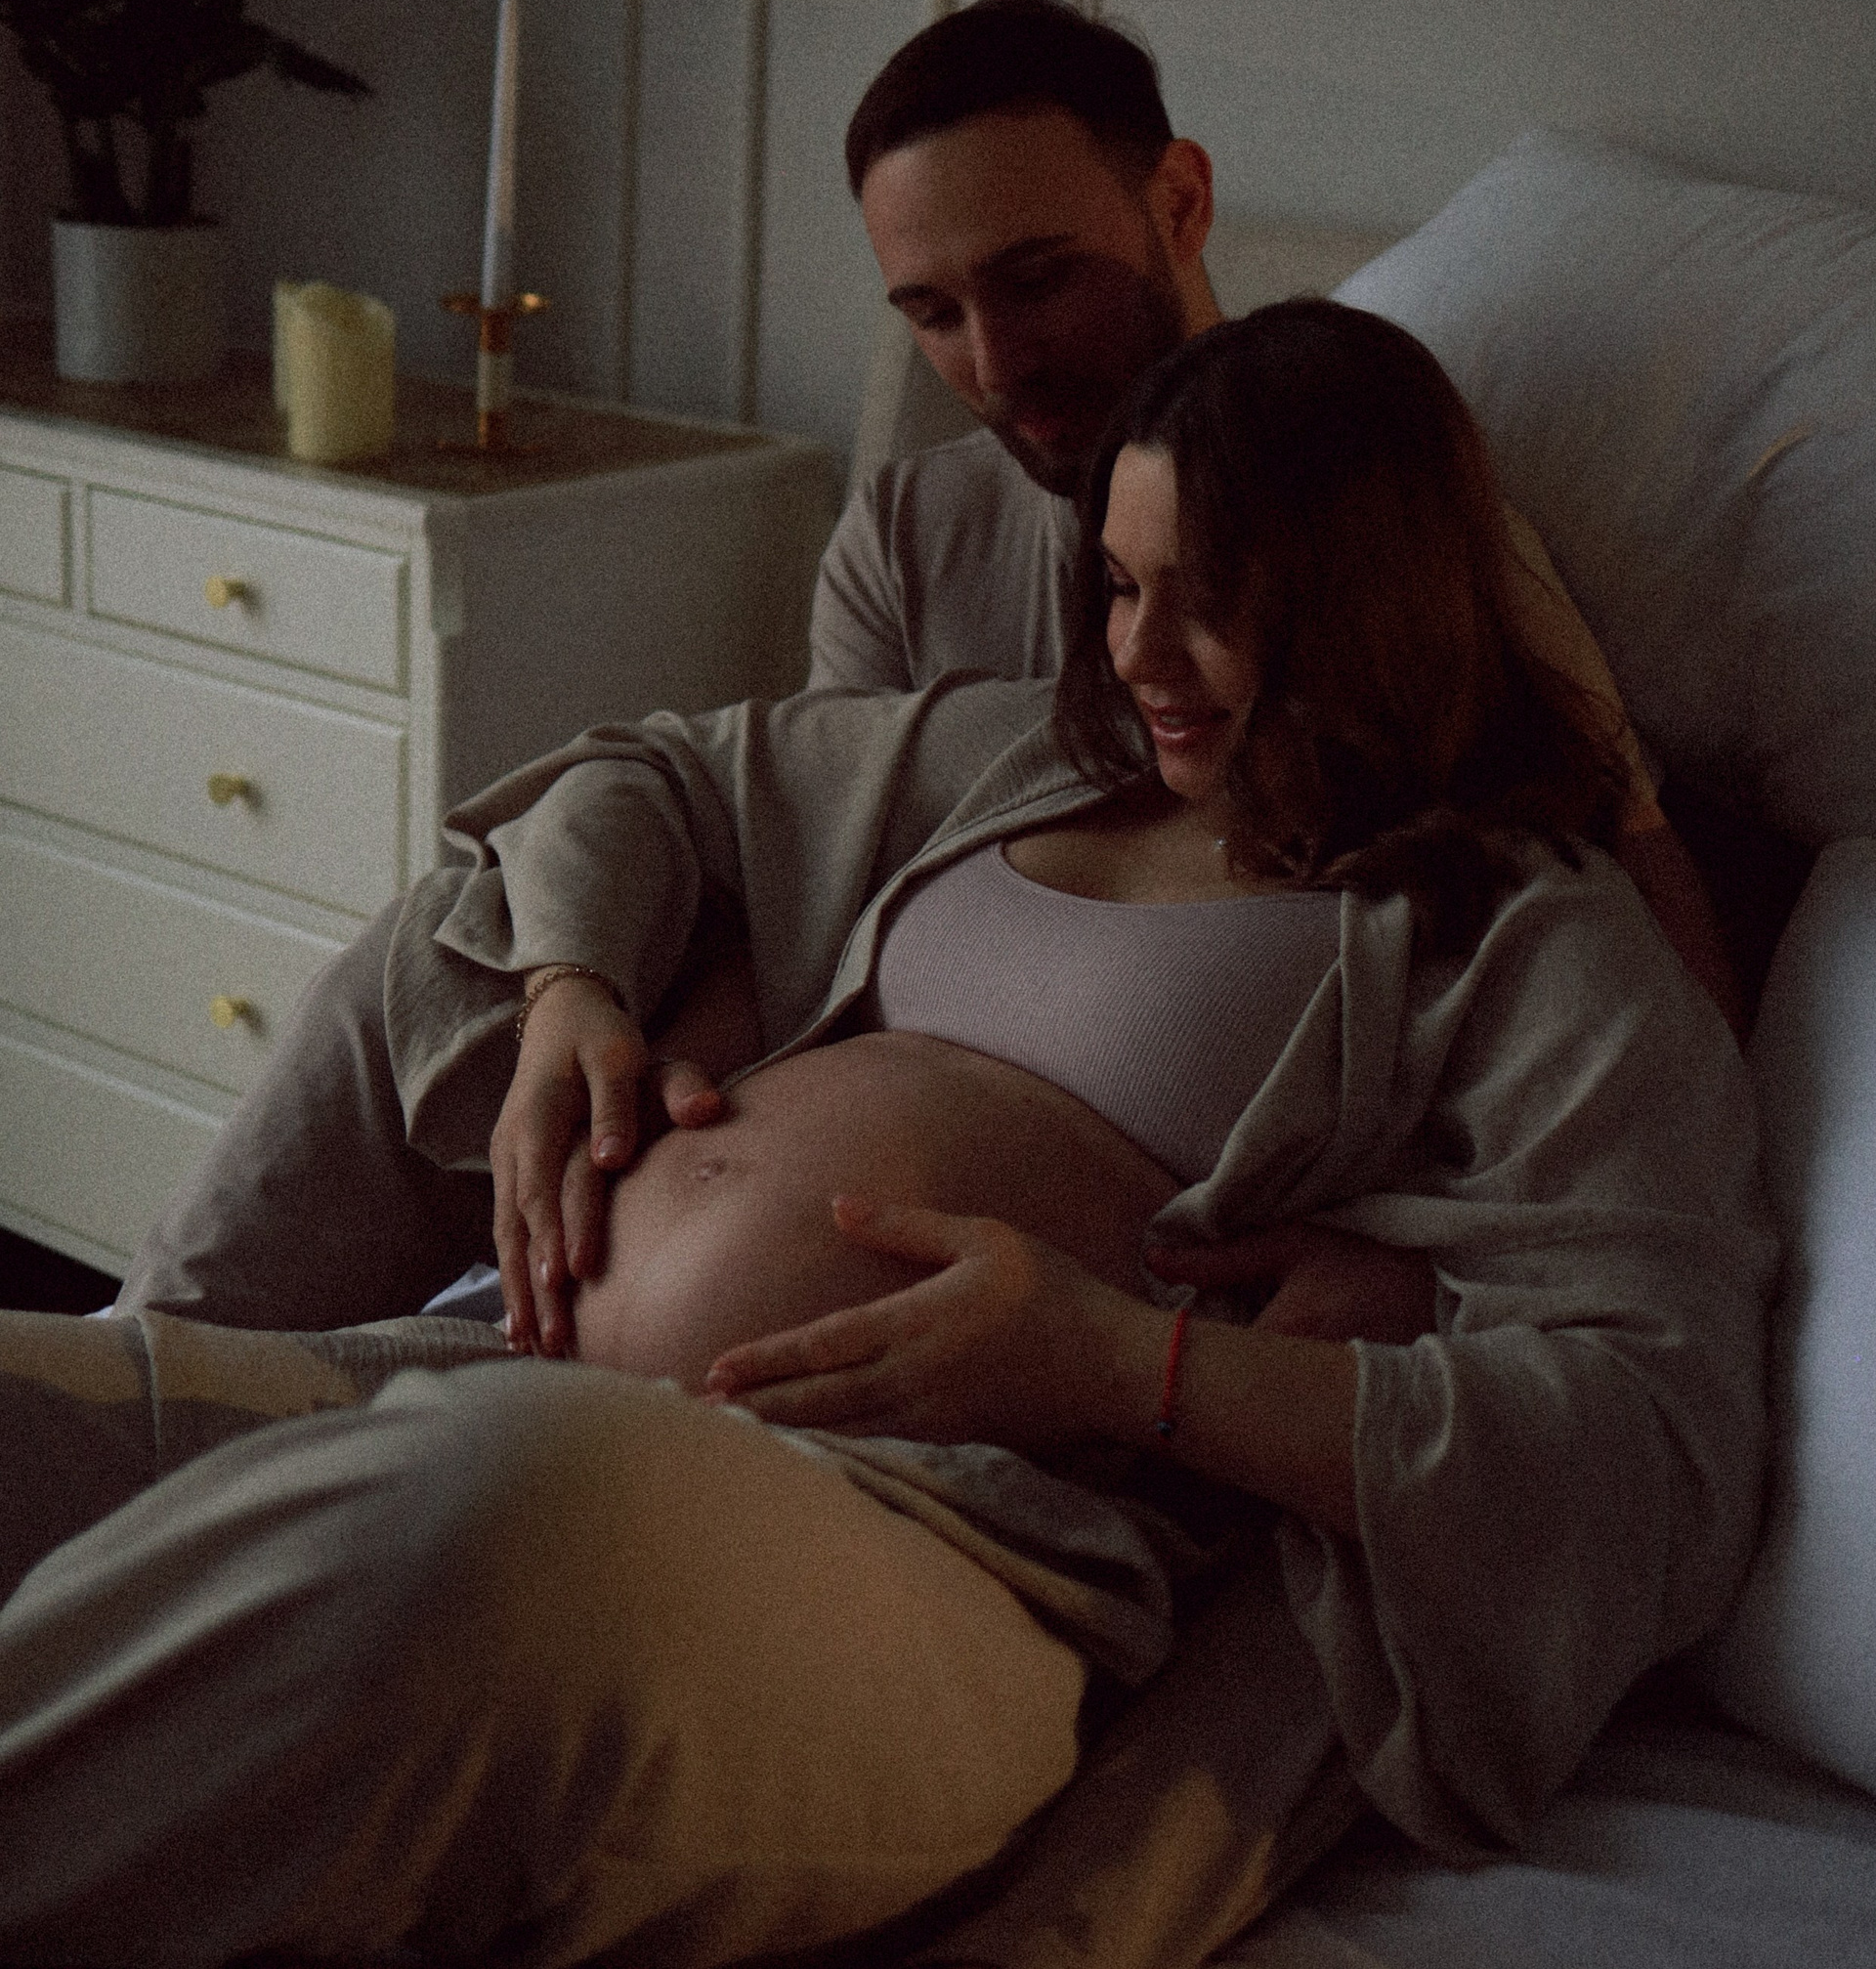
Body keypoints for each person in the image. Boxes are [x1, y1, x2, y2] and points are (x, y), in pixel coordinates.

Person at [1, 305, 1773, 1969]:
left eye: (1213, 603)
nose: (1138, 654)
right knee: (39, 1413)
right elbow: (652, 774)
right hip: (518, 1368)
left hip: (954, 1555)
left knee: (489, 1529)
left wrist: (1129, 1365)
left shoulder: (1531, 942)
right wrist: (572, 992)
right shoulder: (1025, 760)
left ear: (1371, 603)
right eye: (1119, 586)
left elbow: (1660, 1448)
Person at [115, 0, 1739, 1349]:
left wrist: (1425, 1286)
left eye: (1036, 281)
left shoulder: (1403, 537)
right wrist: (590, 1011)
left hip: (1100, 1227)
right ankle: (149, 1356)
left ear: (1179, 203)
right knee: (474, 922)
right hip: (791, 1117)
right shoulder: (912, 531)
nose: (995, 361)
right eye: (932, 310)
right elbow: (795, 868)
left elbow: (1642, 1015)